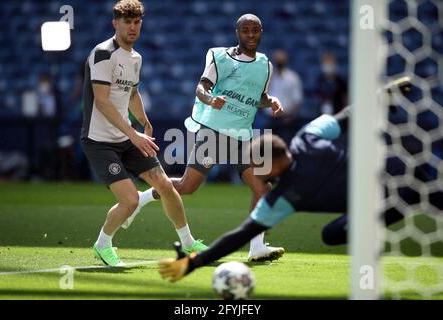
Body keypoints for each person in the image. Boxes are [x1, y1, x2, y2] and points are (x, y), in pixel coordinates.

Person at [158, 81, 443, 282]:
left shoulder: (282, 198)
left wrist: (193, 263)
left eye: (258, 166)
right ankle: (417, 196)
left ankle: (412, 199)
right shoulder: (308, 136)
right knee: (331, 234)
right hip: (404, 169)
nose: (254, 171)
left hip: (393, 192)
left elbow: (239, 236)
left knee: (335, 234)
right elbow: (347, 116)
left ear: (270, 163)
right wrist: (385, 94)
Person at [122, 13, 286, 262]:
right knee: (188, 186)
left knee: (262, 187)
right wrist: (211, 99)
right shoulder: (220, 57)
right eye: (246, 30)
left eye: (255, 30)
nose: (251, 35)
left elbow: (258, 97)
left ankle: (256, 247)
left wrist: (271, 101)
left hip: (243, 135)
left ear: (261, 32)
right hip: (214, 131)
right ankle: (141, 199)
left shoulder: (265, 64)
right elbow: (201, 87)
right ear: (237, 33)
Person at [81, 0, 207, 267]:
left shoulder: (136, 58)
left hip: (127, 137)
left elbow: (132, 93)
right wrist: (134, 133)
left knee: (166, 186)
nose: (133, 27)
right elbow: (102, 102)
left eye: (137, 22)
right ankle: (103, 244)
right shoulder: (103, 53)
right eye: (127, 22)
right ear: (115, 23)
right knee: (129, 201)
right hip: (99, 141)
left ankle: (188, 243)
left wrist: (145, 122)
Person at [262, 49, 304, 143]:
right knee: (268, 148)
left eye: (281, 60)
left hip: (285, 119)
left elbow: (297, 99)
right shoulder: (269, 77)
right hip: (270, 118)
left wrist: (291, 116)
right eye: (277, 60)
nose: (278, 63)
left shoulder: (293, 78)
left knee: (284, 145)